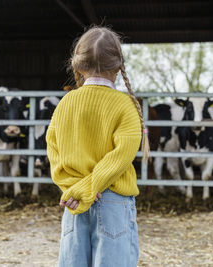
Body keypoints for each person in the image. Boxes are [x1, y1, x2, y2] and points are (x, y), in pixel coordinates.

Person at [46, 26, 149, 267]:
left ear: (78, 65)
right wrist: (91, 186)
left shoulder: (66, 103)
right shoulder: (125, 105)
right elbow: (123, 154)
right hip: (113, 199)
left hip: (73, 202)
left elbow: (53, 148)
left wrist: (73, 187)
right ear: (118, 65)